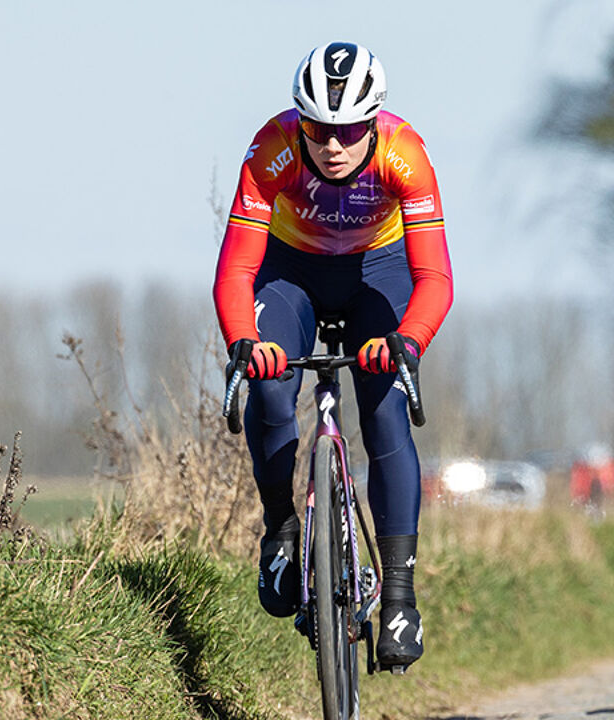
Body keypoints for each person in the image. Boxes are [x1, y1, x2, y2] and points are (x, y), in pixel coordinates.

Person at [212, 42, 453, 672]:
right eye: (319, 129)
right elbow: (237, 268)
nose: (333, 145)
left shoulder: (407, 157)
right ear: (301, 122)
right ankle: (282, 531)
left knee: (384, 414)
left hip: (380, 271)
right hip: (292, 274)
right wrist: (244, 342)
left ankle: (399, 594)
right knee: (270, 387)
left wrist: (407, 342)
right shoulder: (272, 151)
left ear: (372, 121)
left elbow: (436, 280)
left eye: (348, 131)